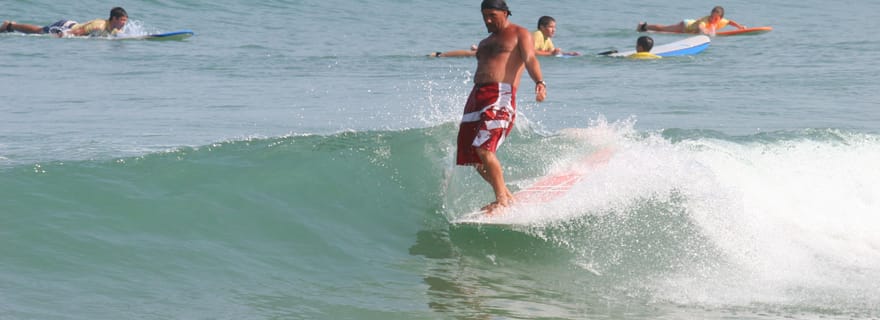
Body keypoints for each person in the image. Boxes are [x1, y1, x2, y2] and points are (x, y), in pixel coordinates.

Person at [457, 0, 546, 214]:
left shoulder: (519, 33)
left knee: (484, 148)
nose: (487, 20)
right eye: (484, 15)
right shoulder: (485, 42)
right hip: (476, 97)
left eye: (492, 15)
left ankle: (501, 201)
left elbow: (530, 58)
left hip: (499, 95)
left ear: (505, 13)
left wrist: (540, 82)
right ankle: (506, 195)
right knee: (474, 158)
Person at [430, 16, 578, 57]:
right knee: (474, 54)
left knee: (477, 52)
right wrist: (549, 55)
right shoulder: (538, 35)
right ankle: (440, 54)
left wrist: (567, 53)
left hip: (508, 51)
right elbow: (531, 52)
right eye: (551, 27)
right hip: (506, 49)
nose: (554, 30)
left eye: (555, 27)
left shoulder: (548, 39)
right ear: (542, 27)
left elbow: (549, 52)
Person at [1, 7, 128, 37]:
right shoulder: (99, 26)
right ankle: (10, 25)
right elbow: (78, 32)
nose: (124, 23)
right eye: (122, 20)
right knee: (39, 31)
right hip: (65, 26)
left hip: (73, 24)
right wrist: (63, 35)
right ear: (114, 19)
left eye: (125, 21)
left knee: (40, 30)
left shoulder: (116, 28)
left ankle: (11, 25)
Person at [636, 6, 745, 35]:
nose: (712, 19)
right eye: (712, 16)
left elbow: (730, 21)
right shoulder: (706, 20)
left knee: (663, 29)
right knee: (663, 29)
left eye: (715, 18)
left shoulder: (722, 21)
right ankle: (643, 26)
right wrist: (705, 32)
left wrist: (739, 27)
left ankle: (645, 27)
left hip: (690, 27)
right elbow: (700, 26)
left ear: (720, 18)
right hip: (686, 26)